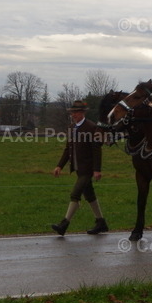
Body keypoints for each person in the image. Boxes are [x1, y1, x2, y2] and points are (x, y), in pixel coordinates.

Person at [51, 100, 108, 235]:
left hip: (87, 169)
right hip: (78, 169)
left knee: (75, 194)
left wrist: (97, 170)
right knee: (90, 195)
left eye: (75, 112)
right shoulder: (71, 128)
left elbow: (96, 150)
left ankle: (64, 224)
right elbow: (67, 149)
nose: (73, 115)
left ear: (82, 113)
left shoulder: (91, 127)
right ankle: (101, 222)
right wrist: (59, 166)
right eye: (72, 113)